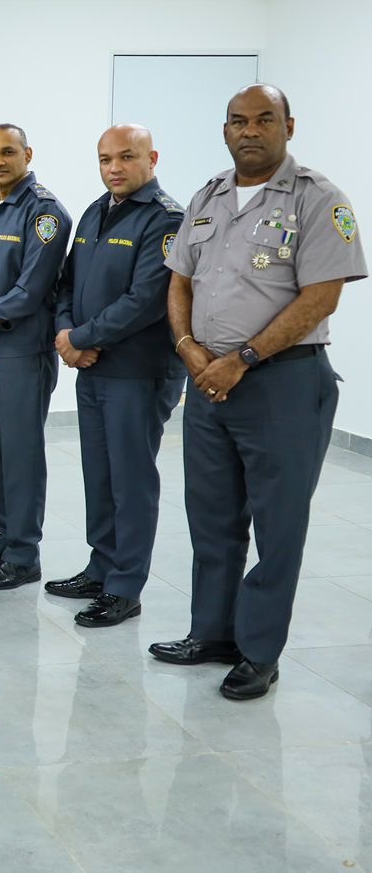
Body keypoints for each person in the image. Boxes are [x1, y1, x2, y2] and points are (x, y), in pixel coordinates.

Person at [150, 84, 365, 700]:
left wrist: (242, 358)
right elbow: (179, 281)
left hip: (283, 384)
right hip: (208, 384)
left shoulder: (319, 201)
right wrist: (190, 349)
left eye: (264, 120)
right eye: (239, 121)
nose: (250, 131)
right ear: (225, 130)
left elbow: (322, 295)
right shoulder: (208, 195)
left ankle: (259, 651)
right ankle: (211, 633)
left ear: (288, 126)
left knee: (277, 528)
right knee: (212, 518)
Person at [49, 125, 185, 628]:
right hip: (92, 368)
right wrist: (68, 332)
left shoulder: (166, 218)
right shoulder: (95, 211)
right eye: (105, 159)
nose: (114, 167)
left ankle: (126, 586)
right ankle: (101, 566)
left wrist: (80, 338)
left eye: (126, 157)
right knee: (100, 476)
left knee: (131, 480)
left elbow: (147, 299)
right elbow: (66, 284)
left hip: (137, 371)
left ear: (152, 157)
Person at [0, 124, 72, 591]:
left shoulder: (44, 212)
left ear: (28, 153)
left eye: (7, 152)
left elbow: (32, 288)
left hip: (21, 351)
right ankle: (6, 538)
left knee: (20, 454)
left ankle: (25, 555)